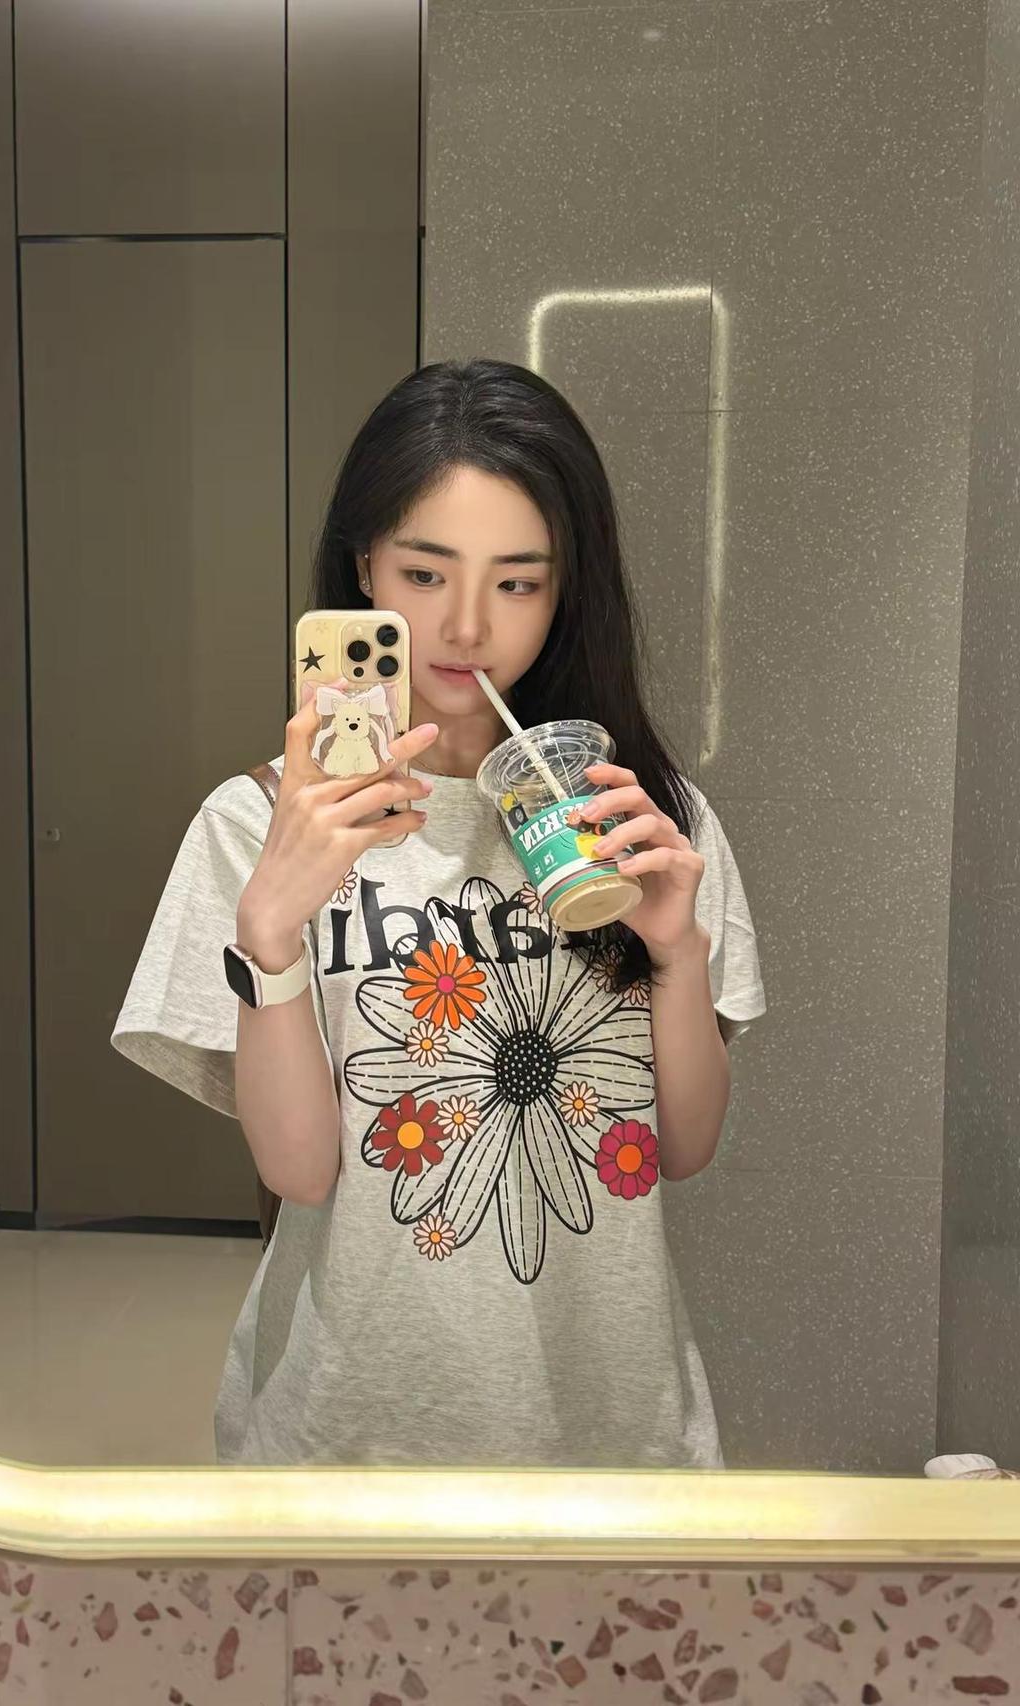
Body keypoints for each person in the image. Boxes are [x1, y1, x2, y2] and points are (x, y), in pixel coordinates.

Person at [111, 357, 766, 1469]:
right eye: (424, 572)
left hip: (608, 1433)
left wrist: (676, 950)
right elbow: (299, 1172)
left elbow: (684, 1147)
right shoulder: (257, 825)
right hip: (350, 1433)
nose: (466, 627)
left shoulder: (649, 821)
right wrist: (269, 931)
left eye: (518, 582)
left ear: (567, 590)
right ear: (362, 565)